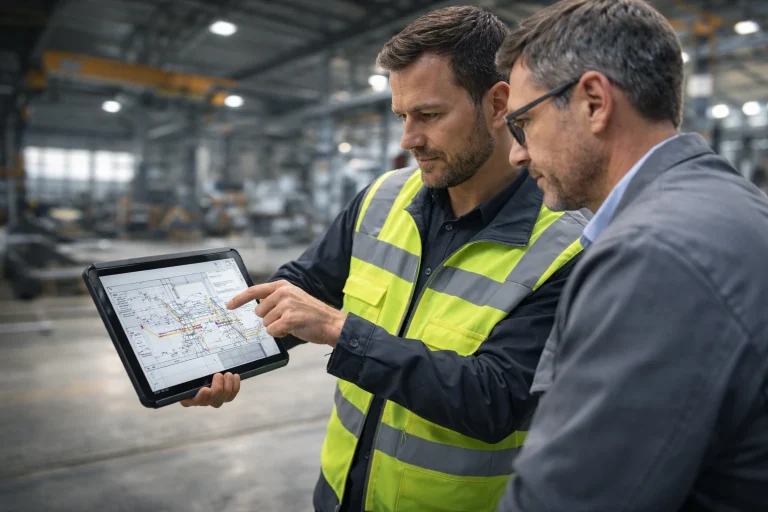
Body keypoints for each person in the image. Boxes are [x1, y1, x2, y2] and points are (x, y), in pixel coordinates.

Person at [182, 6, 587, 512]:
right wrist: (216, 357)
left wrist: (339, 330)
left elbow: (495, 398)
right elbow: (301, 286)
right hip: (341, 493)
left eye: (430, 115)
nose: (409, 139)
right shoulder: (383, 198)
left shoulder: (566, 247)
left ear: (499, 104)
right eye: (402, 116)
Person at [494, 0, 768, 510]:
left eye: (522, 124)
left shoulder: (655, 257)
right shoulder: (731, 205)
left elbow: (570, 498)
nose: (517, 153)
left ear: (594, 101)